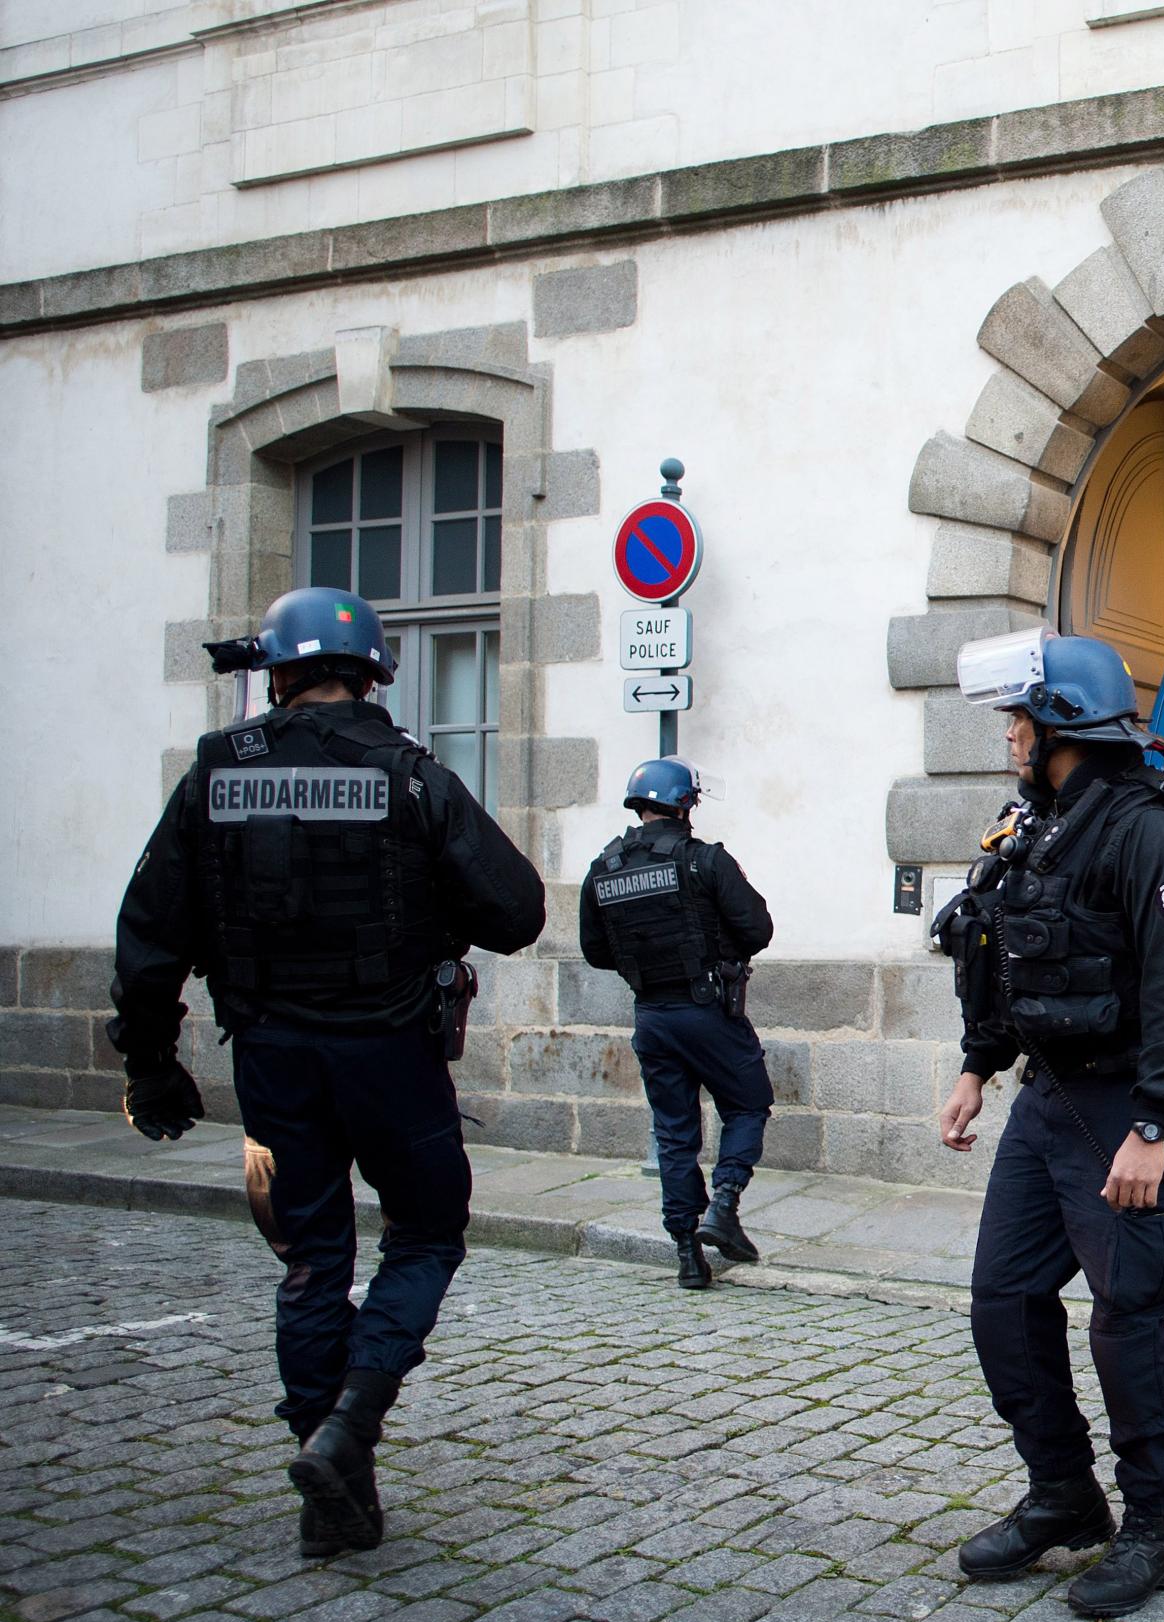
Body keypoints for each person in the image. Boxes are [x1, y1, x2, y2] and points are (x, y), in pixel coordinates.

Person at [108, 586, 546, 1557]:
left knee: (311, 1260)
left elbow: (147, 938)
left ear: (276, 671)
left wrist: (151, 1066)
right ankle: (352, 1423)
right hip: (390, 1055)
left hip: (273, 1060)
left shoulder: (215, 773)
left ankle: (328, 1486)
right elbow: (517, 911)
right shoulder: (409, 774)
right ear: (372, 671)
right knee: (427, 1233)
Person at [932, 627, 1164, 1618]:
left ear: (1058, 720)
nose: (1008, 734)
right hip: (1047, 1098)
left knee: (1124, 1311)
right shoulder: (1040, 823)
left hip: (1125, 1104)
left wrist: (1154, 1124)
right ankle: (1063, 1494)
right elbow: (1006, 956)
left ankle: (1153, 1527)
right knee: (1003, 1299)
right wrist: (977, 1066)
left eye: (1018, 716)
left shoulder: (1150, 826)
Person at [578, 757, 776, 1291]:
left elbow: (595, 951)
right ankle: (725, 1204)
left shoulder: (604, 867)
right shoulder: (703, 861)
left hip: (652, 1017)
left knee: (673, 1134)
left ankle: (688, 1253)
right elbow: (758, 927)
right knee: (749, 1103)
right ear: (686, 804)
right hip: (708, 1010)